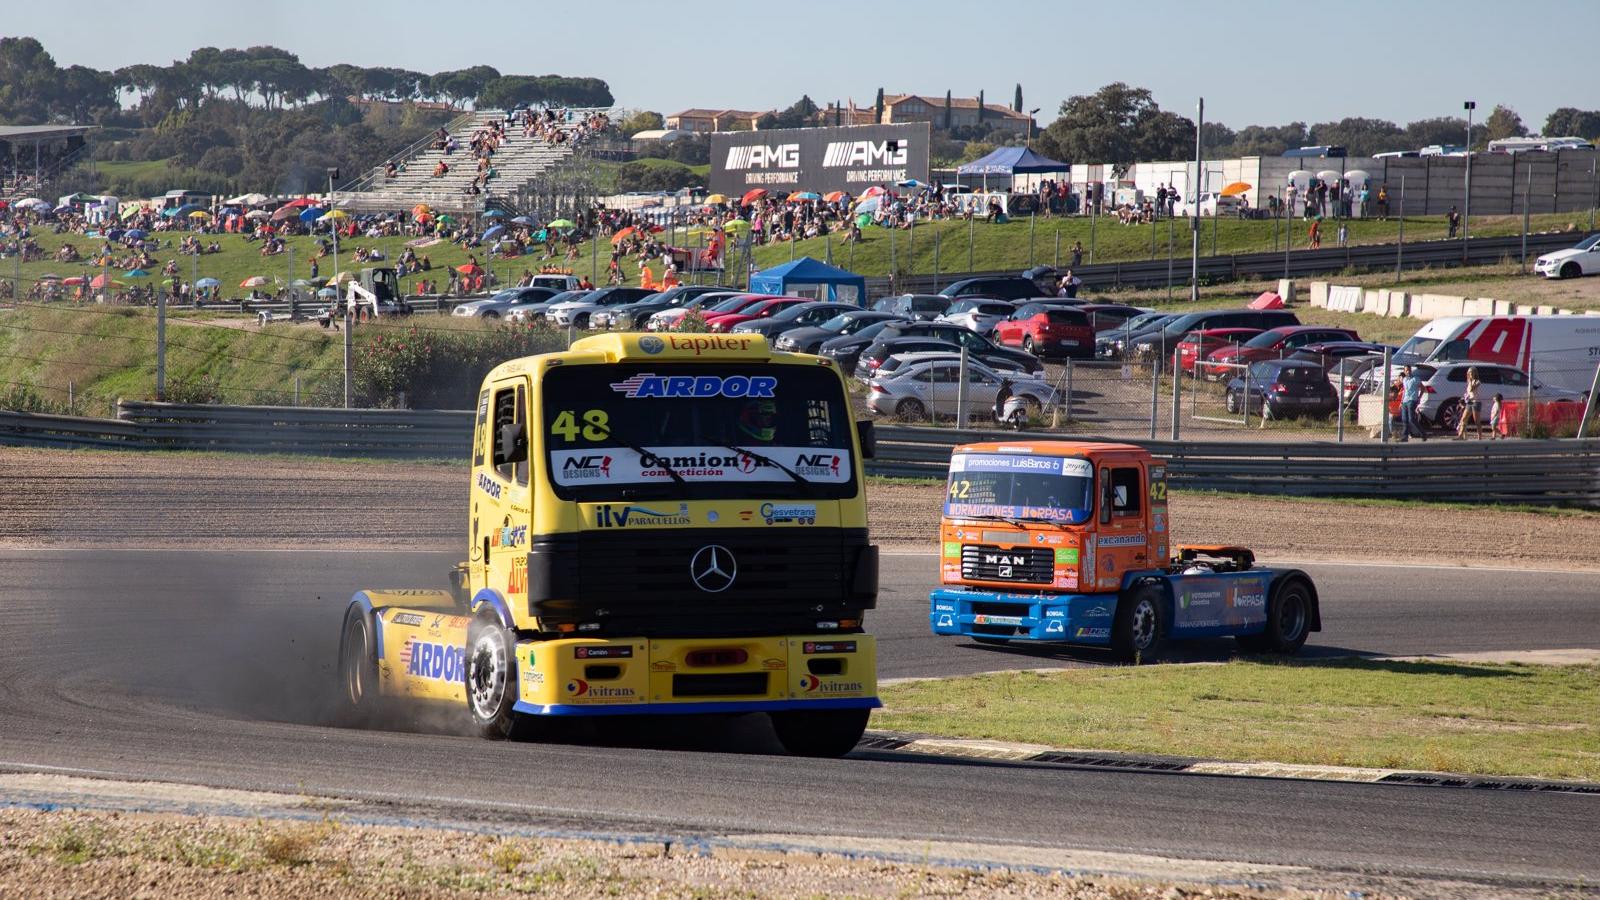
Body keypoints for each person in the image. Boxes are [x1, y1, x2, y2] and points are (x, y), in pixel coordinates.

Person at [1399, 366, 1426, 442]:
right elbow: (1405, 391)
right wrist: (1401, 401)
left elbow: (1423, 388)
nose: (1408, 371)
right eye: (1406, 370)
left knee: (1411, 419)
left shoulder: (1415, 379)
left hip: (1412, 400)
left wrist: (1419, 397)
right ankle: (1405, 437)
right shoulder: (1404, 380)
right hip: (1405, 400)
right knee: (1404, 419)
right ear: (1404, 371)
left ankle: (1423, 433)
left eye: (1409, 370)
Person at [1457, 366, 1483, 439]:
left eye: (1472, 372)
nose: (1470, 374)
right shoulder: (1468, 382)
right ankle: (1461, 435)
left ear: (1475, 373)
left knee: (1476, 421)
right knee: (1463, 418)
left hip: (1476, 402)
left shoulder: (1477, 382)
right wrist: (1465, 397)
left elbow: (1472, 389)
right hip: (1469, 402)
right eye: (1469, 372)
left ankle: (1480, 436)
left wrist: (1471, 381)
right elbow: (1469, 392)